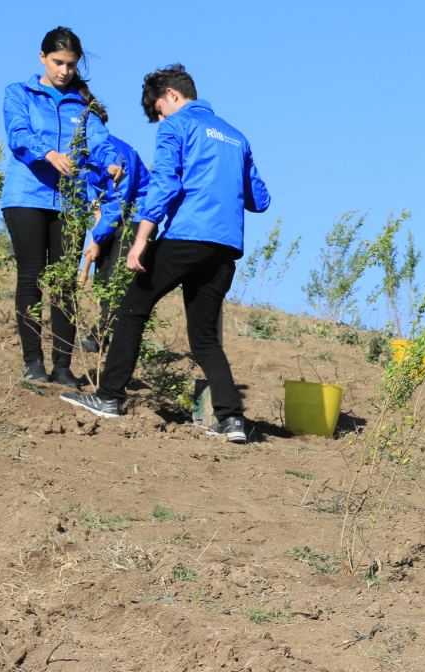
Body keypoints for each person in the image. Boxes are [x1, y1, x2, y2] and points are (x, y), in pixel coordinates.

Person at [61, 65, 270, 443]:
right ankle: (232, 420)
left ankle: (109, 397)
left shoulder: (176, 127)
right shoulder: (237, 137)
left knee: (132, 309)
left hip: (185, 237)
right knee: (205, 337)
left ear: (171, 96)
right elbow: (260, 199)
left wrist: (141, 238)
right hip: (224, 249)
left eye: (158, 111)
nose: (159, 119)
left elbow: (165, 183)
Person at [1, 27, 120, 387]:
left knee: (66, 283)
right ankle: (33, 362)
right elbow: (18, 134)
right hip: (26, 197)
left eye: (70, 64)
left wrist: (111, 161)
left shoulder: (84, 104)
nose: (64, 70)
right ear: (42, 58)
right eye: (57, 62)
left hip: (69, 202)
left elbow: (100, 141)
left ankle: (64, 367)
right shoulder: (18, 93)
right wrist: (48, 153)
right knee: (32, 277)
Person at [80, 133, 150, 352]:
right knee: (102, 279)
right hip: (110, 217)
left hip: (135, 219)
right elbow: (89, 185)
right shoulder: (83, 152)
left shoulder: (118, 155)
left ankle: (105, 339)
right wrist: (96, 210)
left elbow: (120, 202)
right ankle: (104, 335)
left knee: (117, 280)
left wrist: (97, 238)